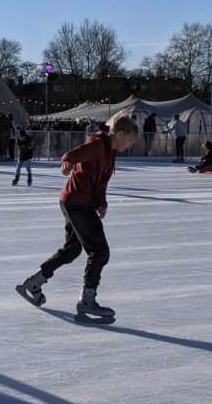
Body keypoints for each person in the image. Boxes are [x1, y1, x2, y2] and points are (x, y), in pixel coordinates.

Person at [16, 111, 140, 321]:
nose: (129, 145)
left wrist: (101, 202)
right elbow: (72, 155)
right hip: (77, 203)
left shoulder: (110, 153)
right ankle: (87, 301)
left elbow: (100, 181)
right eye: (129, 140)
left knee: (72, 250)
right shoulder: (98, 145)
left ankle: (35, 282)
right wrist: (67, 163)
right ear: (119, 134)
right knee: (99, 252)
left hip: (77, 202)